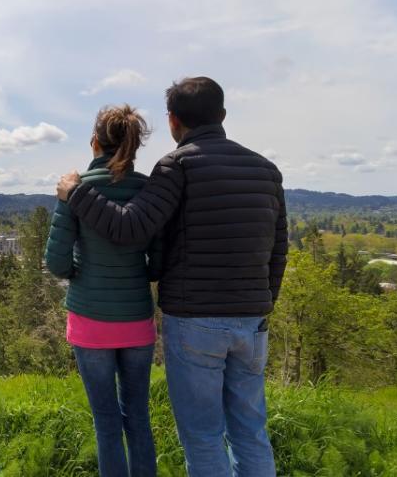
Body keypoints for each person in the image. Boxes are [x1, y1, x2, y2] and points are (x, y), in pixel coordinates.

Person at [56, 77, 287, 477]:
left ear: (173, 121)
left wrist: (75, 194)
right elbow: (278, 249)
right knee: (250, 430)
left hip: (194, 319)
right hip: (252, 321)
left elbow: (128, 228)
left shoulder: (177, 165)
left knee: (203, 435)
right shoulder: (267, 171)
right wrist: (263, 303)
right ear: (223, 116)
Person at [45, 104, 160, 477]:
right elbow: (157, 262)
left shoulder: (74, 192)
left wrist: (84, 273)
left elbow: (57, 262)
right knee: (138, 417)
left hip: (91, 323)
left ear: (94, 142)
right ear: (133, 146)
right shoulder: (148, 191)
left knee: (106, 421)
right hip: (137, 322)